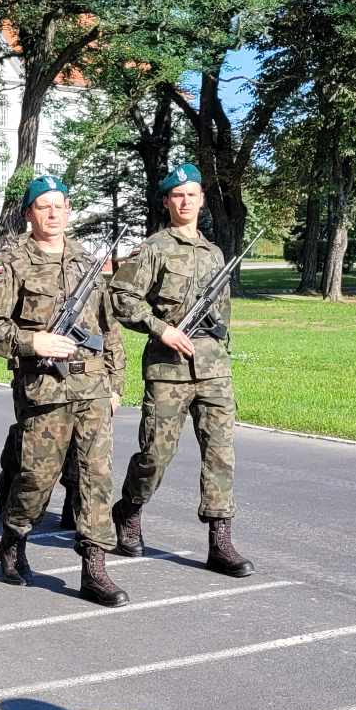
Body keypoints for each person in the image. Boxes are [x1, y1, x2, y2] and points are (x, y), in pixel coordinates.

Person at [0, 175, 128, 607]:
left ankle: (94, 566)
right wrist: (30, 342)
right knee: (36, 478)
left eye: (60, 206)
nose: (53, 213)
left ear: (69, 210)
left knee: (95, 476)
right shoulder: (11, 261)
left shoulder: (87, 261)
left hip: (92, 386)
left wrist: (115, 383)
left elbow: (108, 327)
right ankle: (14, 535)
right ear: (29, 214)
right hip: (44, 389)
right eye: (44, 206)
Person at [110, 162, 252, 576]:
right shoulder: (153, 248)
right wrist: (160, 329)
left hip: (213, 369)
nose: (185, 201)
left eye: (192, 194)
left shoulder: (215, 254)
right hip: (168, 369)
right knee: (156, 454)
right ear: (167, 201)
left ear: (202, 199)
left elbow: (222, 312)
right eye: (177, 195)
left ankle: (220, 540)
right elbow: (122, 298)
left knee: (220, 453)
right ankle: (129, 510)